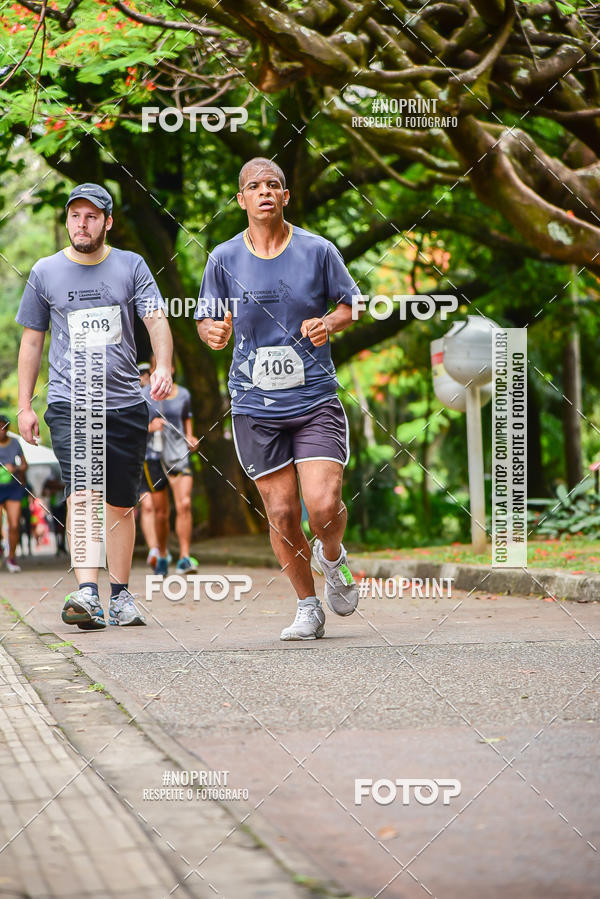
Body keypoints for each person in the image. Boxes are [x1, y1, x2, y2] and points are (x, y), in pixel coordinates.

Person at [196, 158, 360, 640]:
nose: (264, 191)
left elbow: (351, 305)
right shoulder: (223, 258)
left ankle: (333, 556)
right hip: (253, 403)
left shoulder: (318, 250)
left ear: (285, 197)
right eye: (253, 186)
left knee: (323, 503)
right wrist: (214, 332)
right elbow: (205, 318)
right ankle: (307, 605)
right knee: (284, 513)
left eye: (273, 185)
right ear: (241, 199)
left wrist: (327, 323)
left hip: (313, 397)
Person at [16, 182, 173, 629]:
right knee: (83, 494)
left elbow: (155, 318)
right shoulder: (45, 272)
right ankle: (87, 592)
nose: (80, 224)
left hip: (125, 401)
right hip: (70, 400)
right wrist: (24, 405)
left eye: (90, 216)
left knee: (121, 504)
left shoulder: (132, 265)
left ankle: (120, 595)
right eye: (74, 216)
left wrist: (163, 365)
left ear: (107, 222)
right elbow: (32, 340)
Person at [141, 362, 199, 577]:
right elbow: (134, 428)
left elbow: (187, 423)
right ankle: (163, 554)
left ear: (172, 368)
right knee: (161, 513)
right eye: (155, 367)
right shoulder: (143, 394)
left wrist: (192, 439)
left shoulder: (183, 394)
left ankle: (184, 557)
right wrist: (149, 427)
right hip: (154, 458)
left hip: (179, 456)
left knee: (184, 504)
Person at [0, 414, 27, 572]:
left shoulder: (15, 443)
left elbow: (25, 465)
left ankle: (11, 557)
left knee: (14, 524)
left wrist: (15, 468)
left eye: (4, 426)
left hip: (13, 487)